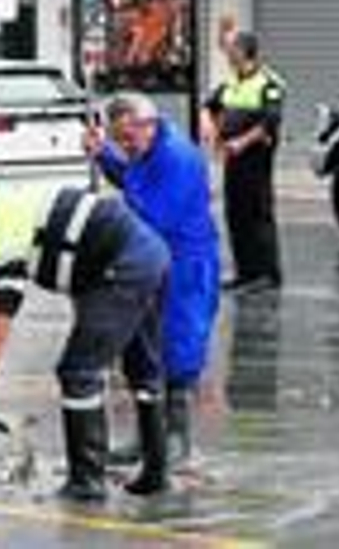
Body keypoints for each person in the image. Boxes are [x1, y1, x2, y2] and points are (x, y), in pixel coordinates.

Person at [0, 177, 171, 502]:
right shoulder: (11, 199)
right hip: (148, 253)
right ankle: (156, 473)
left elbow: (4, 300)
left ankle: (86, 482)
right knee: (143, 369)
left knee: (78, 372)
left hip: (124, 266)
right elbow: (74, 252)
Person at [84, 92, 220, 468]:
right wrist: (103, 154)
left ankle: (176, 437)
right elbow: (131, 177)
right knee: (147, 345)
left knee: (178, 345)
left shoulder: (176, 158)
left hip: (185, 261)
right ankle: (148, 436)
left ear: (149, 124)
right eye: (118, 139)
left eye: (128, 138)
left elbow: (152, 212)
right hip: (154, 261)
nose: (125, 147)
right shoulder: (145, 150)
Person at [200, 30, 286, 291]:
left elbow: (270, 122)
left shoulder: (269, 83)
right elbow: (209, 105)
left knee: (258, 214)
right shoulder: (231, 82)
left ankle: (267, 275)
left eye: (231, 48)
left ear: (243, 51)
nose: (227, 53)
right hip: (232, 158)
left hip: (255, 159)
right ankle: (245, 273)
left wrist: (242, 142)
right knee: (235, 214)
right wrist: (210, 129)